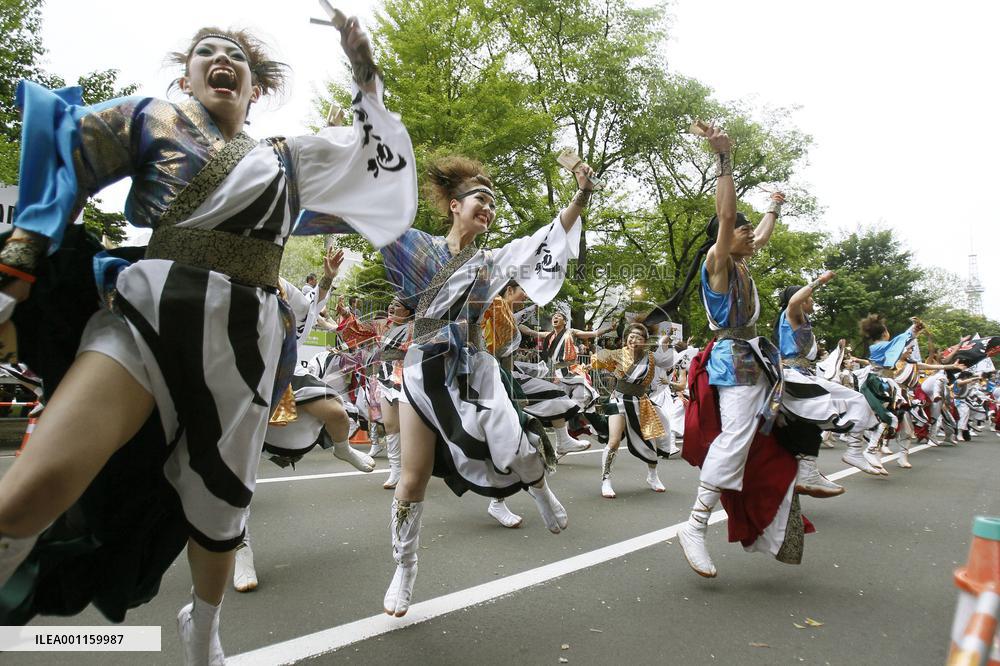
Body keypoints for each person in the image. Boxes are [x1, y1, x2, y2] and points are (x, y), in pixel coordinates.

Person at [0, 20, 416, 664]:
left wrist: (365, 72)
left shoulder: (289, 158)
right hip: (151, 309)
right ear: (186, 76)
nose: (221, 60)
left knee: (220, 509)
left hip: (245, 339)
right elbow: (65, 154)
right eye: (206, 54)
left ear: (256, 89)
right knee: (30, 492)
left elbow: (377, 172)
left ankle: (206, 627)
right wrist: (18, 270)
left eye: (237, 58)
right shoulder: (150, 117)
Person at [377, 154, 594, 617]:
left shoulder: (490, 263)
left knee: (512, 444)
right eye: (481, 199)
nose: (489, 209)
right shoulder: (417, 247)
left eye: (493, 204)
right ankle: (405, 567)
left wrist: (581, 194)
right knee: (412, 479)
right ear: (455, 205)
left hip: (473, 368)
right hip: (425, 368)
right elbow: (377, 212)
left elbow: (545, 238)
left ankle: (540, 490)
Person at [646, 125, 802, 578]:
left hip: (756, 360)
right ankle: (695, 525)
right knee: (736, 437)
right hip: (732, 359)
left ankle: (806, 468)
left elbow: (762, 234)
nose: (752, 236)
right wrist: (724, 160)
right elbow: (727, 214)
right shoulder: (718, 264)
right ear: (726, 234)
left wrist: (774, 207)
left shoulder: (742, 265)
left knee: (776, 431)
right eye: (742, 230)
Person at [772, 276, 879, 491]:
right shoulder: (792, 314)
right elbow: (793, 302)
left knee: (856, 401)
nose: (813, 302)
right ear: (801, 300)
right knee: (815, 416)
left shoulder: (800, 320)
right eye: (810, 299)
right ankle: (808, 471)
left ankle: (853, 451)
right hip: (793, 377)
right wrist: (819, 281)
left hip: (803, 375)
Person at [590, 323, 676, 498]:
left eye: (638, 337)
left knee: (650, 442)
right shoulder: (618, 354)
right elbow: (596, 360)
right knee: (613, 441)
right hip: (618, 400)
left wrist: (665, 342)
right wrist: (599, 358)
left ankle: (653, 476)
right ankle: (606, 479)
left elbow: (667, 360)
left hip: (641, 403)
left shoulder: (651, 358)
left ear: (645, 341)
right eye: (631, 336)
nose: (633, 339)